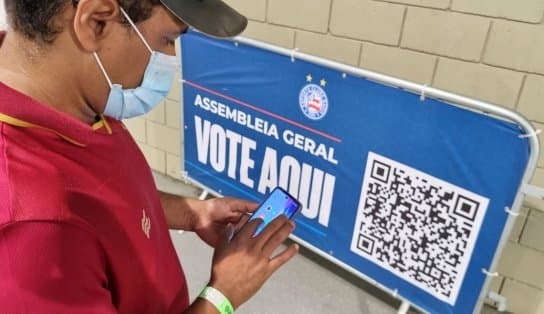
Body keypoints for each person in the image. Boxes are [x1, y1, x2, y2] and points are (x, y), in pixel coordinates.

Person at [0, 0, 299, 313]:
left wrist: (192, 213)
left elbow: (105, 197)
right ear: (96, 22)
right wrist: (222, 296)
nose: (170, 59)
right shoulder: (32, 237)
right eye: (168, 40)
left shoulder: (78, 95)